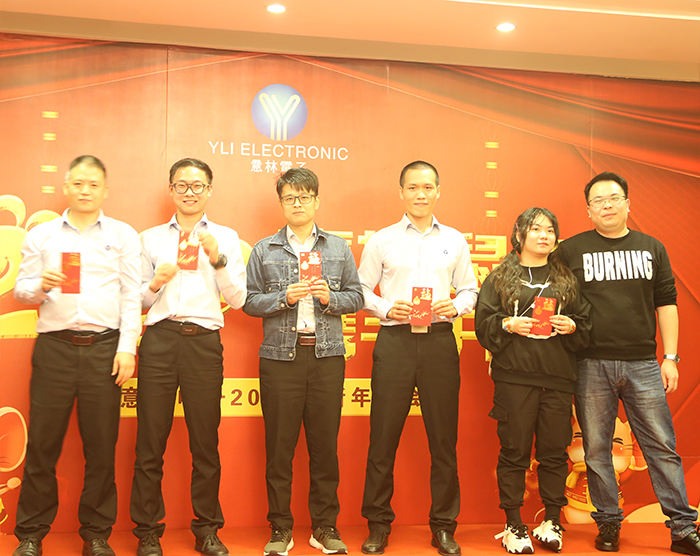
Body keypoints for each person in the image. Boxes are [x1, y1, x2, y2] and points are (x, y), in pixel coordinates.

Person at [557, 172, 700, 554]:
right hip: (590, 363)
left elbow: (666, 303)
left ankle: (683, 529)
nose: (607, 205)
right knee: (596, 449)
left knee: (661, 447)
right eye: (598, 200)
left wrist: (670, 358)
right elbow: (551, 296)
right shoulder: (571, 250)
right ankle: (608, 524)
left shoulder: (652, 248)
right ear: (588, 210)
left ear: (627, 203)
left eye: (613, 198)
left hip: (643, 364)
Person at [12, 155, 141, 556]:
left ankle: (97, 535)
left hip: (104, 348)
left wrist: (127, 348)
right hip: (54, 349)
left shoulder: (122, 235)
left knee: (101, 447)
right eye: (79, 183)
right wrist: (40, 284)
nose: (86, 191)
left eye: (93, 184)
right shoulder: (42, 235)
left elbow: (131, 296)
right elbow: (21, 291)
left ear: (105, 190)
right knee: (42, 445)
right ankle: (31, 534)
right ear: (66, 187)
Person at [358, 161, 478, 556]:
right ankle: (378, 525)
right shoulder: (382, 240)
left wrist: (456, 306)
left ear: (438, 191)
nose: (420, 194)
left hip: (440, 343)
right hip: (395, 342)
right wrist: (386, 307)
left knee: (443, 440)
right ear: (401, 192)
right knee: (383, 438)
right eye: (412, 187)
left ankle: (444, 526)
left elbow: (470, 290)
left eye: (427, 187)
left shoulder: (455, 240)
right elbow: (360, 289)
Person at [244, 168, 364, 556]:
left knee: (324, 448)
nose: (297, 204)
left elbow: (357, 297)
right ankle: (280, 528)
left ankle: (324, 527)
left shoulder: (338, 248)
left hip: (327, 356)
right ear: (281, 203)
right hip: (280, 360)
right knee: (279, 449)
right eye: (290, 198)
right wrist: (285, 298)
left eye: (304, 197)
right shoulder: (264, 249)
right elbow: (249, 301)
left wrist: (330, 298)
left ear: (316, 200)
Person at [130, 158, 246, 556]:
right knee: (150, 442)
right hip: (160, 340)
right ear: (171, 190)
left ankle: (207, 530)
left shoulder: (226, 237)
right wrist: (155, 284)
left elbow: (238, 299)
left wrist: (218, 261)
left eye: (197, 185)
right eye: (181, 185)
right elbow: (136, 301)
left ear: (209, 190)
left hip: (203, 343)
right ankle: (147, 531)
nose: (189, 192)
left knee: (205, 442)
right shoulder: (149, 239)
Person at [475, 207, 591, 554]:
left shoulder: (566, 279)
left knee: (554, 454)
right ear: (519, 235)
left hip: (558, 378)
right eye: (536, 229)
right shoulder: (500, 277)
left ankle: (551, 521)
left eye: (550, 230)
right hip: (515, 379)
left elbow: (585, 324)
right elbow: (483, 324)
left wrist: (572, 325)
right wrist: (507, 324)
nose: (544, 235)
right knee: (515, 452)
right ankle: (513, 524)